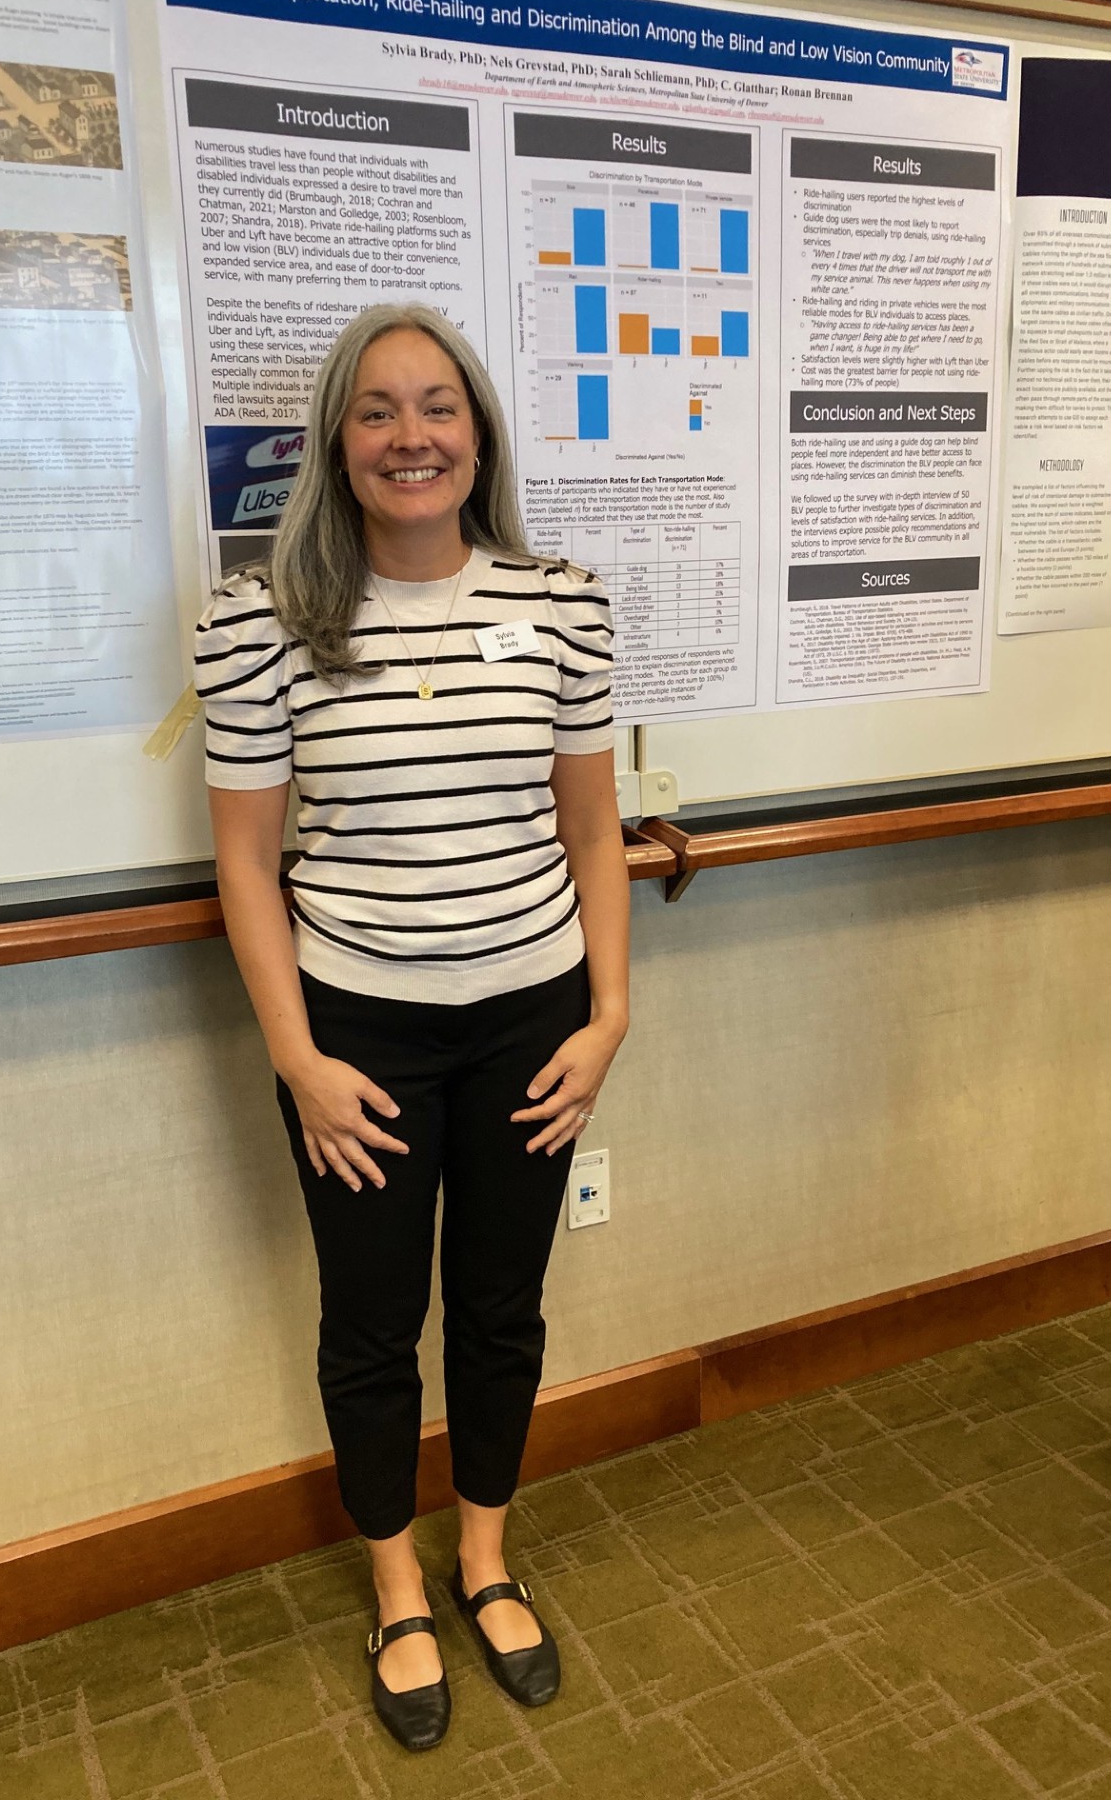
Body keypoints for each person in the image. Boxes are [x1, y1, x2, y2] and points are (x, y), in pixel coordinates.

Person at [195, 302, 630, 1753]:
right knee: (374, 1324)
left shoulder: (561, 601)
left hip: (532, 1021)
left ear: (478, 432)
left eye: (436, 406)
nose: (410, 436)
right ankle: (396, 1589)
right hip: (354, 1035)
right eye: (376, 411)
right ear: (336, 441)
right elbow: (247, 862)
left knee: (502, 1307)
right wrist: (298, 1059)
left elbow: (592, 831)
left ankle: (486, 1560)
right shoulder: (260, 619)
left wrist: (609, 1012)